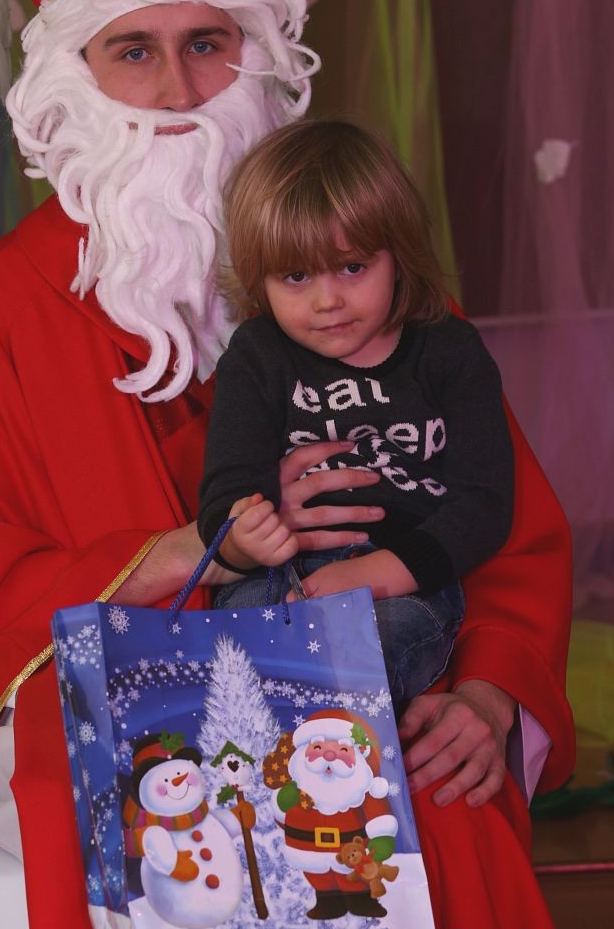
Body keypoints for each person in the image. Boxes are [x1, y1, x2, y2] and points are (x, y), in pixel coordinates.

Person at [0, 0, 573, 929]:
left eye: (207, 43)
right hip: (114, 694)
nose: (175, 90)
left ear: (262, 56)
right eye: (132, 50)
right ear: (71, 78)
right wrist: (171, 556)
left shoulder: (367, 284)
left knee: (430, 807)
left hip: (360, 683)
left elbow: (504, 528)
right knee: (159, 823)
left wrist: (488, 694)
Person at [198, 119, 514, 715]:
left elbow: (484, 504)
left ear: (398, 254)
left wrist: (376, 574)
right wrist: (240, 539)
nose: (328, 301)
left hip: (404, 583)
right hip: (276, 578)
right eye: (296, 276)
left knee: (356, 667)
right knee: (232, 663)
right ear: (260, 279)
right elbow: (228, 485)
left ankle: (334, 761)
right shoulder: (257, 356)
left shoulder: (450, 351)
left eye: (351, 267)